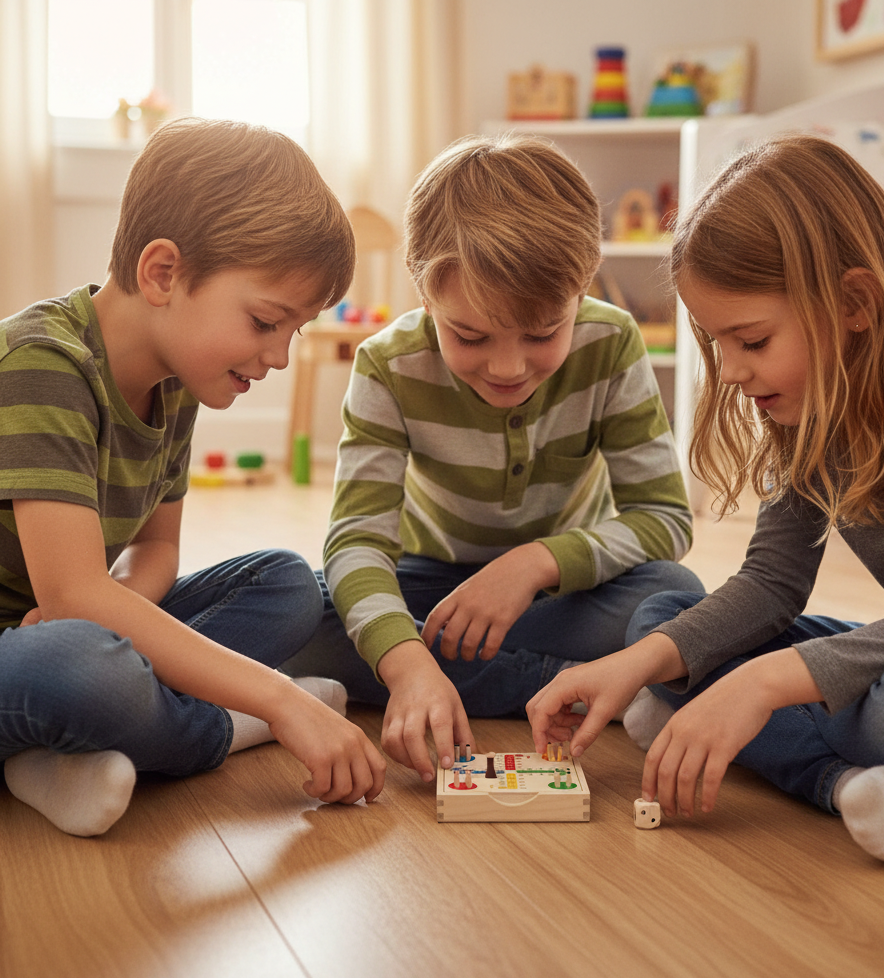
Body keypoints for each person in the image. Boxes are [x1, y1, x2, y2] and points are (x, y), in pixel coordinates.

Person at [527, 134, 884, 863]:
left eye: (752, 340)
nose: (729, 371)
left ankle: (815, 751)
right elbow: (770, 584)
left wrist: (759, 685)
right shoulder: (810, 402)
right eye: (716, 341)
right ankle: (857, 781)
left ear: (854, 302)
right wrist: (634, 667)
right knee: (662, 627)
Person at [0, 118, 386, 837]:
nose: (278, 355)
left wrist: (109, 616)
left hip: (60, 626)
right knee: (84, 666)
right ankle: (220, 729)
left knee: (286, 582)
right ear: (163, 273)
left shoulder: (176, 378)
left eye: (294, 331)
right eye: (267, 321)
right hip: (34, 653)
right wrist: (279, 700)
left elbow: (156, 554)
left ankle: (66, 752)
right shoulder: (41, 363)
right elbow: (74, 593)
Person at [283, 134, 701, 783]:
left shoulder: (612, 343)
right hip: (432, 591)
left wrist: (534, 565)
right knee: (298, 611)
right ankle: (582, 688)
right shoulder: (386, 366)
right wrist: (408, 662)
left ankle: (454, 684)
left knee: (673, 596)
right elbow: (358, 542)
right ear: (424, 293)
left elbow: (664, 520)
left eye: (542, 334)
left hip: (561, 593)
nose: (508, 368)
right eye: (469, 336)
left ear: (581, 285)